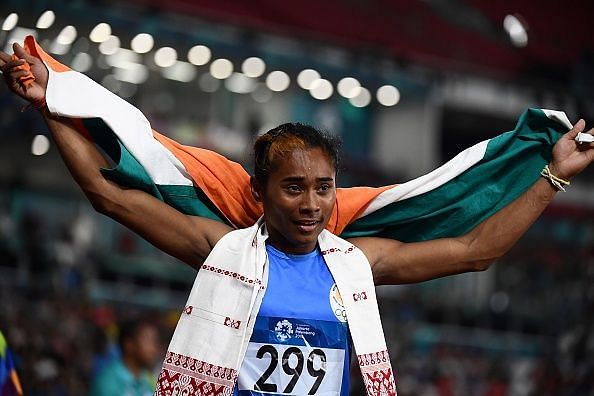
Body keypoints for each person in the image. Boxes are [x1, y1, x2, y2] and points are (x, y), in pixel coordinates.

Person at [1, 42, 593, 396]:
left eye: (323, 188)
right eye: (292, 189)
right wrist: (50, 105)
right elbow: (111, 197)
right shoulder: (224, 249)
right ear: (259, 191)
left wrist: (555, 176)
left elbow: (474, 251)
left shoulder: (356, 266)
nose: (311, 204)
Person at [90, 319, 160, 396]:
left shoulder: (148, 379)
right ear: (129, 344)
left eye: (155, 342)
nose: (154, 348)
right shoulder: (108, 383)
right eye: (148, 340)